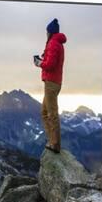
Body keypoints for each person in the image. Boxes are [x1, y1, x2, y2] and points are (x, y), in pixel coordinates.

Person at [34, 18, 67, 153]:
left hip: (51, 83)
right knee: (44, 112)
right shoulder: (57, 43)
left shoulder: (53, 43)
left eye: (47, 32)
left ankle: (55, 144)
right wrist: (43, 60)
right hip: (54, 82)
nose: (46, 34)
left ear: (50, 32)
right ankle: (52, 140)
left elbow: (51, 64)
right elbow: (52, 61)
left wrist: (39, 64)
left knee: (51, 113)